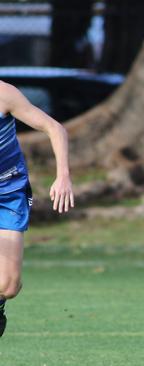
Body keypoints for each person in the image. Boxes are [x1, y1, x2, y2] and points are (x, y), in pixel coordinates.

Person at [0, 81, 75, 337]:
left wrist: (63, 176)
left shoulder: (4, 94)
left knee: (8, 286)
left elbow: (55, 128)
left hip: (8, 191)